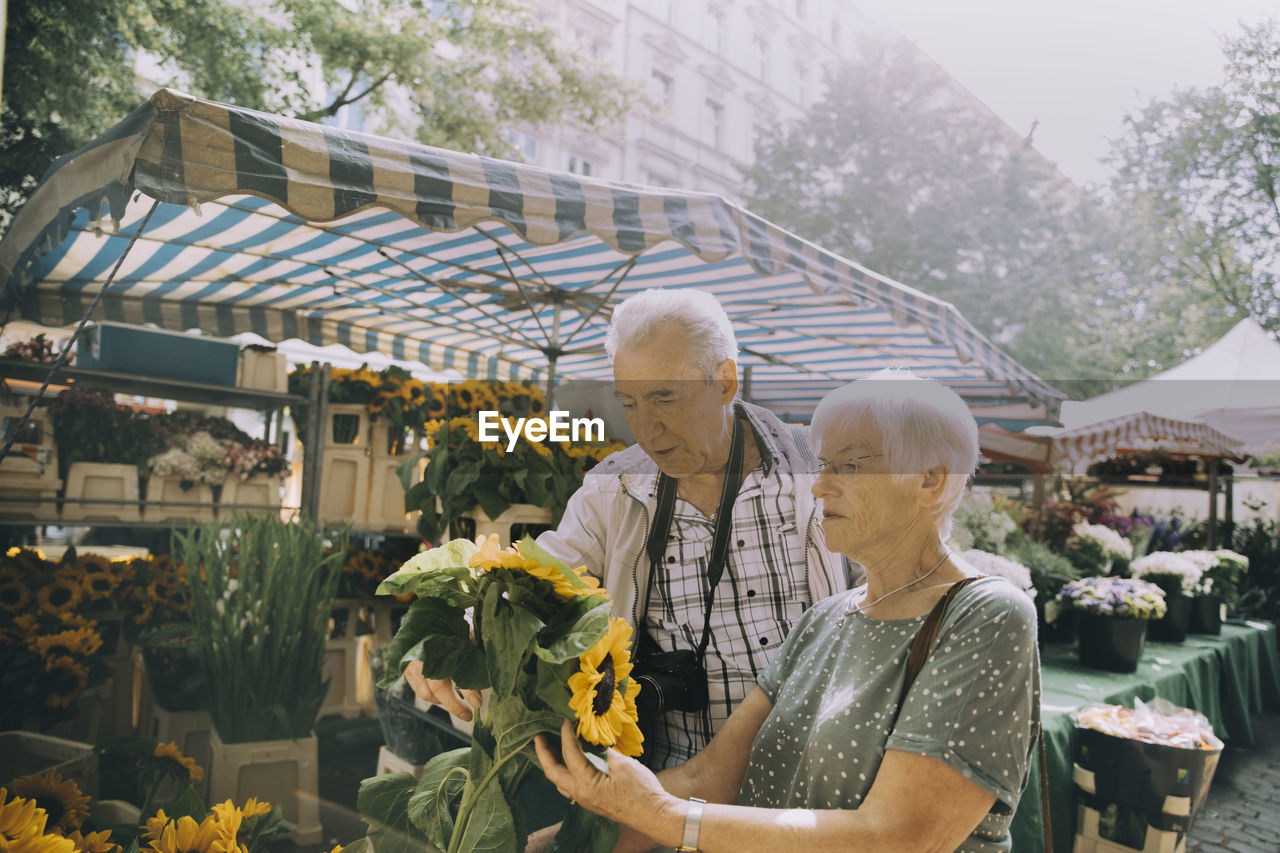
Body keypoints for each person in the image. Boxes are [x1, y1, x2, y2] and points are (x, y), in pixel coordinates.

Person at [534, 369, 1042, 852]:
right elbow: (707, 778)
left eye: (850, 465)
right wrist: (549, 842)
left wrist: (663, 816)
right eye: (823, 465)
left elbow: (892, 837)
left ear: (930, 481)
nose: (820, 485)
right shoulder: (826, 619)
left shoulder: (985, 615)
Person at [405, 287, 849, 767]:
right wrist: (459, 634)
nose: (647, 430)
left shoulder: (821, 467)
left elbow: (898, 596)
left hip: (813, 784)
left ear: (725, 382)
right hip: (666, 798)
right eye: (630, 403)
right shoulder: (613, 490)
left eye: (664, 398)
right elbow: (538, 579)